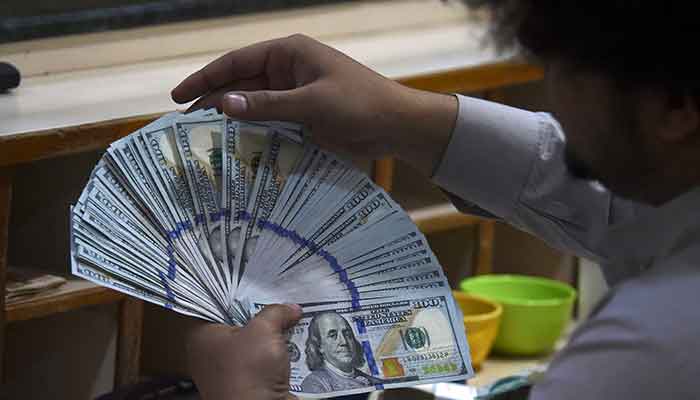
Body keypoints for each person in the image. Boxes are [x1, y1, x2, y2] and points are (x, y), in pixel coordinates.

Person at [179, 2, 700, 399]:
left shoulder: (648, 352)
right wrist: (404, 119)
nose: (553, 96)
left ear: (675, 106)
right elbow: (622, 208)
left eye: (559, 66)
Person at [301, 312, 380, 393]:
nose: (344, 342)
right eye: (332, 335)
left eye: (347, 334)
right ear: (319, 346)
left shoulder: (374, 381)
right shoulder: (314, 383)